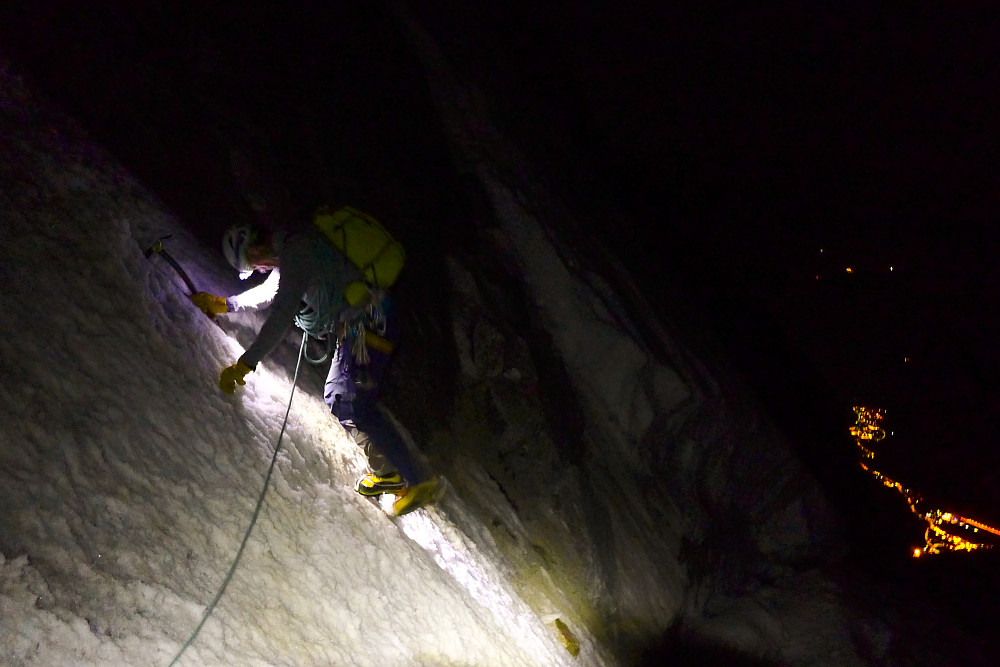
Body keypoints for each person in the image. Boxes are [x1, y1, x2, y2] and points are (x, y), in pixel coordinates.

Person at [189, 210, 439, 516]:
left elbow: (281, 313)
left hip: (371, 321)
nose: (259, 269)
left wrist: (246, 363)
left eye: (254, 265)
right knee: (339, 396)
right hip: (361, 323)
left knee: (353, 400)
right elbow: (271, 291)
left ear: (253, 250)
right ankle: (388, 473)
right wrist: (225, 304)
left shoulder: (297, 252)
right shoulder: (291, 251)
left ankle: (417, 481)